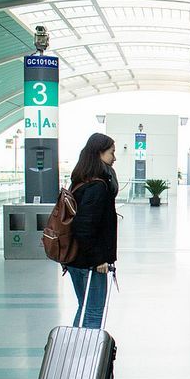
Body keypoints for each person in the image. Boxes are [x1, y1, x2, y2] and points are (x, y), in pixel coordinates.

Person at [67, 133, 119, 329]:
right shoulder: (98, 186)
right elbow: (85, 226)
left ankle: (75, 344)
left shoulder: (80, 180)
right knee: (94, 311)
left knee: (85, 307)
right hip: (90, 262)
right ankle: (88, 348)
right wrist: (98, 259)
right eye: (111, 152)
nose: (114, 157)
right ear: (99, 153)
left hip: (75, 258)